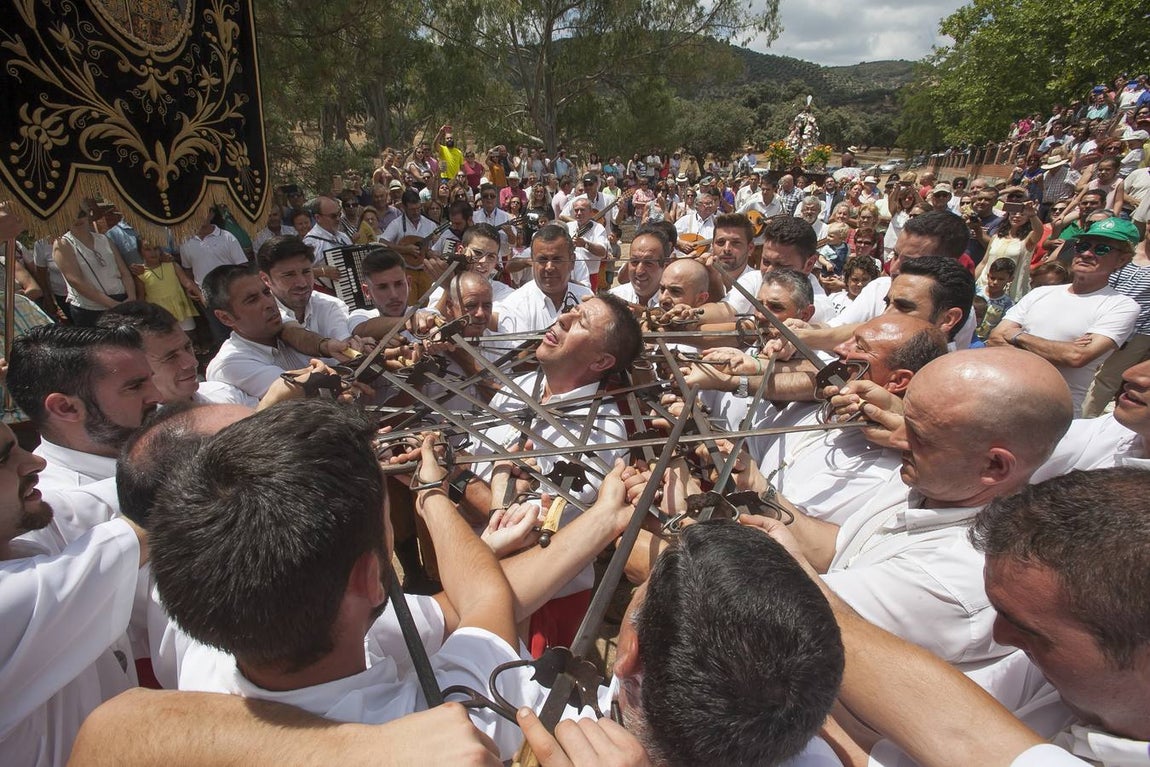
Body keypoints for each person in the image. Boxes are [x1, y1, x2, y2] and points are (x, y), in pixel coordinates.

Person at [147, 400, 529, 759]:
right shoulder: (457, 726)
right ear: (369, 578)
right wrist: (432, 495)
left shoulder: (202, 662)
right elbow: (484, 598)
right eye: (385, 518)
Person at [765, 466, 1150, 767]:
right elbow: (929, 726)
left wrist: (786, 586)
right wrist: (795, 578)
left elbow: (961, 741)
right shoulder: (1062, 681)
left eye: (1033, 633)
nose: (999, 636)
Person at [0, 417, 148, 767]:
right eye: (4, 458)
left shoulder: (25, 541)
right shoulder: (12, 603)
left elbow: (106, 497)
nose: (35, 462)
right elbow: (148, 524)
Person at [990, 217, 1140, 416]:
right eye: (1083, 246)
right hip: (1002, 399)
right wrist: (1058, 351)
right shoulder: (1040, 293)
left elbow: (1076, 356)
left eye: (1101, 249)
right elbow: (994, 339)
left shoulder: (1121, 306)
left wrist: (1019, 336)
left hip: (1053, 414)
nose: (1087, 253)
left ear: (1122, 260)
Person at [7, 324, 161, 492]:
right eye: (135, 387)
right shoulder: (66, 508)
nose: (158, 396)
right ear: (66, 408)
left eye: (150, 380)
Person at [497, 225, 591, 336]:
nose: (549, 267)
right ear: (532, 261)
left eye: (557, 259)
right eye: (542, 259)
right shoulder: (515, 305)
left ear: (572, 262)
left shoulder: (587, 299)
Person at [54, 206, 135, 326]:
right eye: (71, 216)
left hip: (122, 302)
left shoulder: (104, 239)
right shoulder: (62, 244)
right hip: (90, 310)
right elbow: (75, 281)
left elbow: (124, 272)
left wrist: (132, 298)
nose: (77, 219)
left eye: (81, 214)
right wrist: (112, 304)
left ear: (88, 215)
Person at [609, 228, 668, 309]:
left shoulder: (673, 305)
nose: (639, 271)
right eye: (634, 261)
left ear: (665, 267)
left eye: (648, 263)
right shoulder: (613, 300)